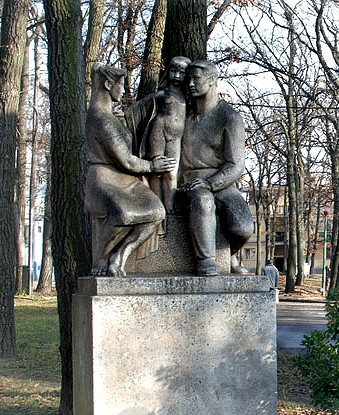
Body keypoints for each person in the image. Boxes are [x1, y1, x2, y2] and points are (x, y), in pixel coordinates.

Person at [84, 62, 176, 277]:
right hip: (105, 180)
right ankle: (102, 256)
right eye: (121, 85)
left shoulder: (112, 117)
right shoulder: (101, 119)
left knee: (156, 212)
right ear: (108, 84)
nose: (124, 90)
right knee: (123, 213)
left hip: (127, 181)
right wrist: (152, 166)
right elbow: (125, 160)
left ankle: (121, 256)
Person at [178, 60, 254, 276]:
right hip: (188, 182)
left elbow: (235, 164)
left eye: (197, 79)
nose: (191, 84)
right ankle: (207, 261)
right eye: (188, 79)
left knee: (243, 227)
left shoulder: (229, 117)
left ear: (212, 80)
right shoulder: (183, 114)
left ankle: (228, 254)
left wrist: (211, 183)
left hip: (221, 181)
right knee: (202, 201)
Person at [142, 56, 191, 214]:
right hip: (158, 131)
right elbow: (141, 108)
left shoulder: (188, 98)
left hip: (175, 138)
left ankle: (169, 205)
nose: (177, 76)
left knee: (170, 172)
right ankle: (157, 204)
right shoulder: (162, 94)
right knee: (156, 171)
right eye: (174, 71)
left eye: (181, 73)